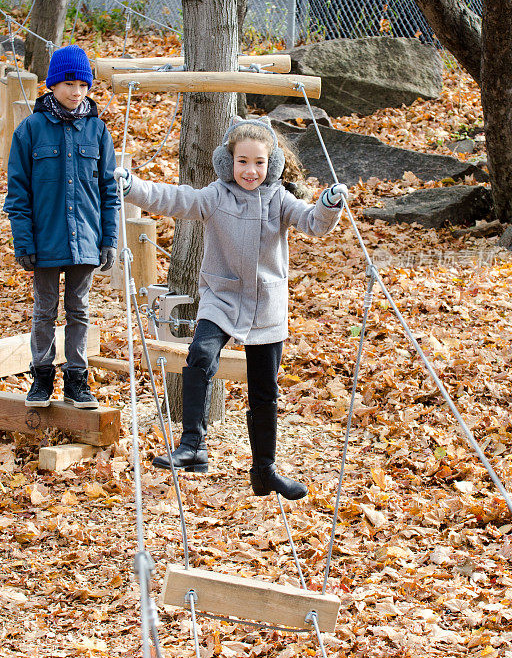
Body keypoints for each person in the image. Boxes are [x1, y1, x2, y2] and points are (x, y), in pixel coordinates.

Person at [115, 116, 347, 500]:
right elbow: (174, 199)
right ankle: (193, 445)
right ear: (228, 162)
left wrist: (328, 205)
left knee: (264, 391)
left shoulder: (279, 199)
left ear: (271, 165)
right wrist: (132, 186)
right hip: (221, 299)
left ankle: (265, 471)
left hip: (265, 305)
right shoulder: (215, 196)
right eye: (242, 162)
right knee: (200, 355)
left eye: (259, 162)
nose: (250, 171)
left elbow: (313, 223)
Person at [4, 45, 120, 410]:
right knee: (44, 310)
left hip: (86, 241)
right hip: (44, 241)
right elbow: (17, 191)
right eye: (69, 83)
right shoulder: (31, 130)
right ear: (52, 85)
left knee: (80, 311)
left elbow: (109, 191)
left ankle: (77, 382)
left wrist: (109, 239)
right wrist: (23, 241)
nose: (76, 92)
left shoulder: (98, 131)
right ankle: (41, 378)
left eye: (83, 85)